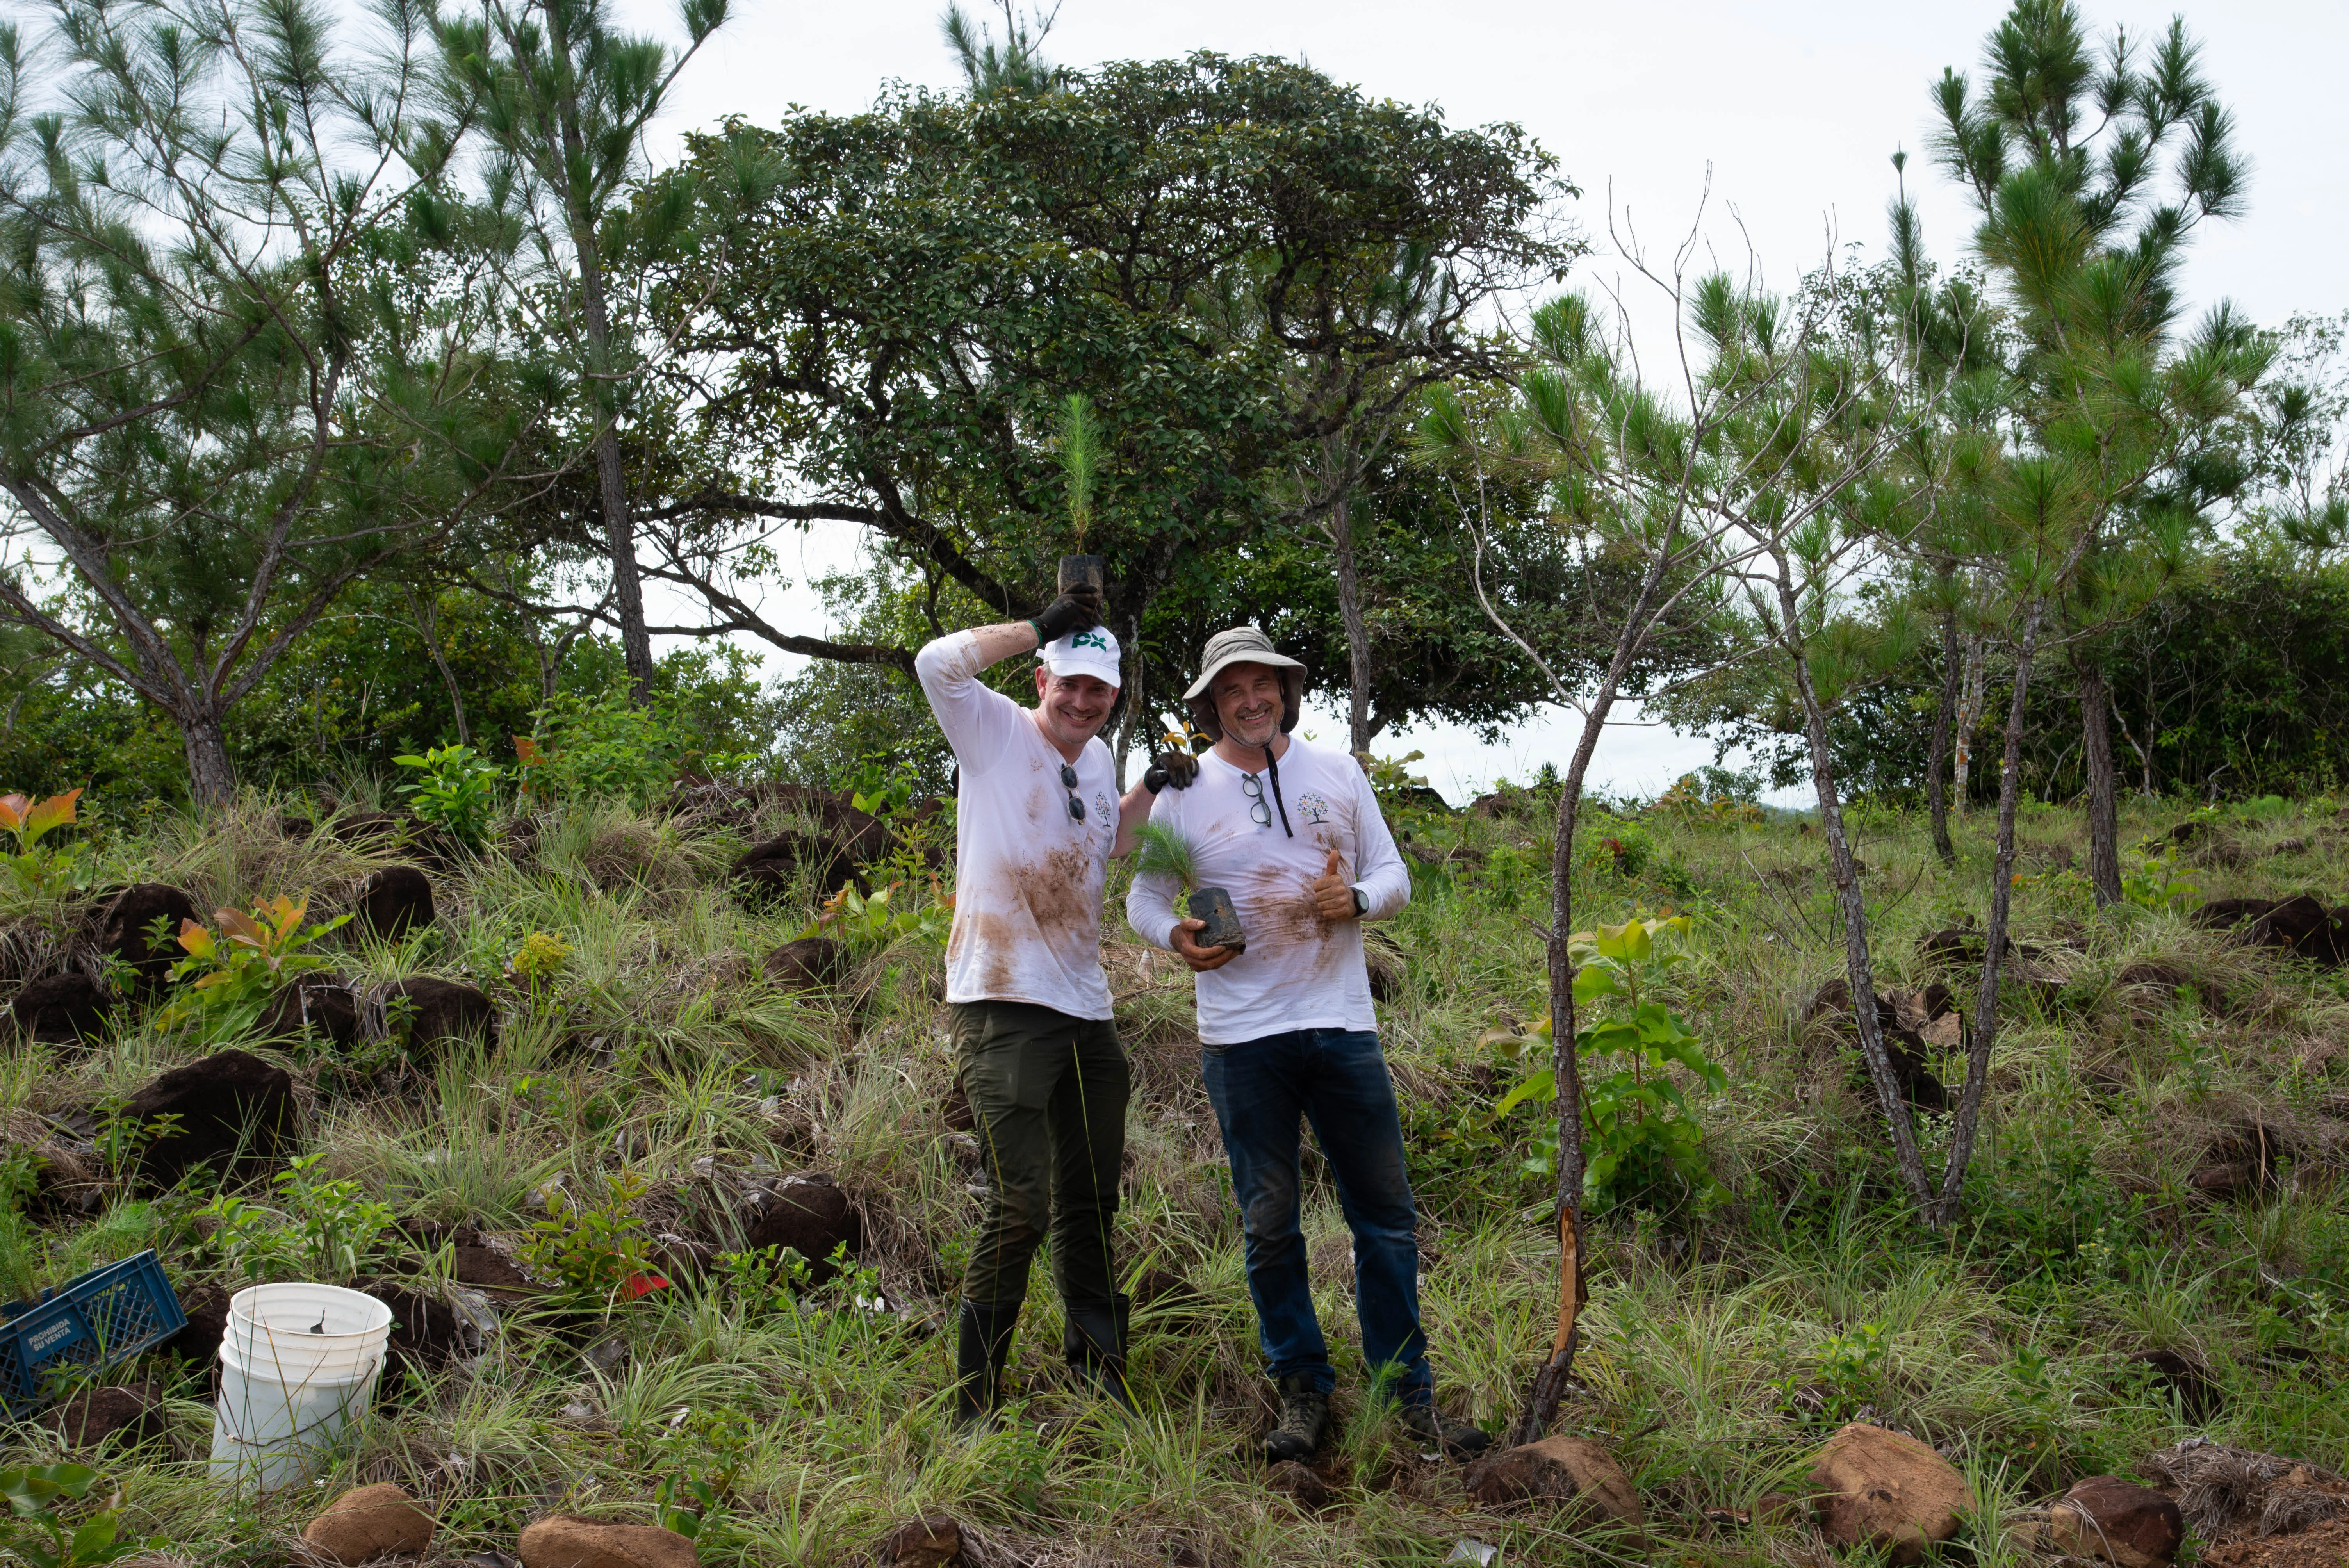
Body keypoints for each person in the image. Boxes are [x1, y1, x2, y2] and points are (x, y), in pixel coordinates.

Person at [1124, 625, 1492, 1462]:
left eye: (1262, 685)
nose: (1248, 700)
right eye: (1229, 690)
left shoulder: (1338, 772)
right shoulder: (1184, 791)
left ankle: (1408, 1393)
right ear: (1210, 704)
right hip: (1241, 1039)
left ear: (1285, 691)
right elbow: (1142, 899)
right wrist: (1176, 938)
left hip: (1340, 1026)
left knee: (1385, 1221)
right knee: (1269, 1223)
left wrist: (1357, 899)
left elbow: (1395, 873)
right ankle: (1301, 1390)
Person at [913, 585, 1187, 1429]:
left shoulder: (1098, 760)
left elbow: (1102, 845)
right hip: (1002, 998)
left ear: (1114, 697)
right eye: (1067, 682)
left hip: (1084, 1005)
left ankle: (1098, 1374)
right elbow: (935, 661)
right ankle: (973, 1404)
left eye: (1097, 689)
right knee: (1019, 1200)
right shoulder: (991, 731)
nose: (1080, 700)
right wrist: (1040, 621)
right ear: (1041, 679)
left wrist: (1149, 787)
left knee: (1090, 1197)